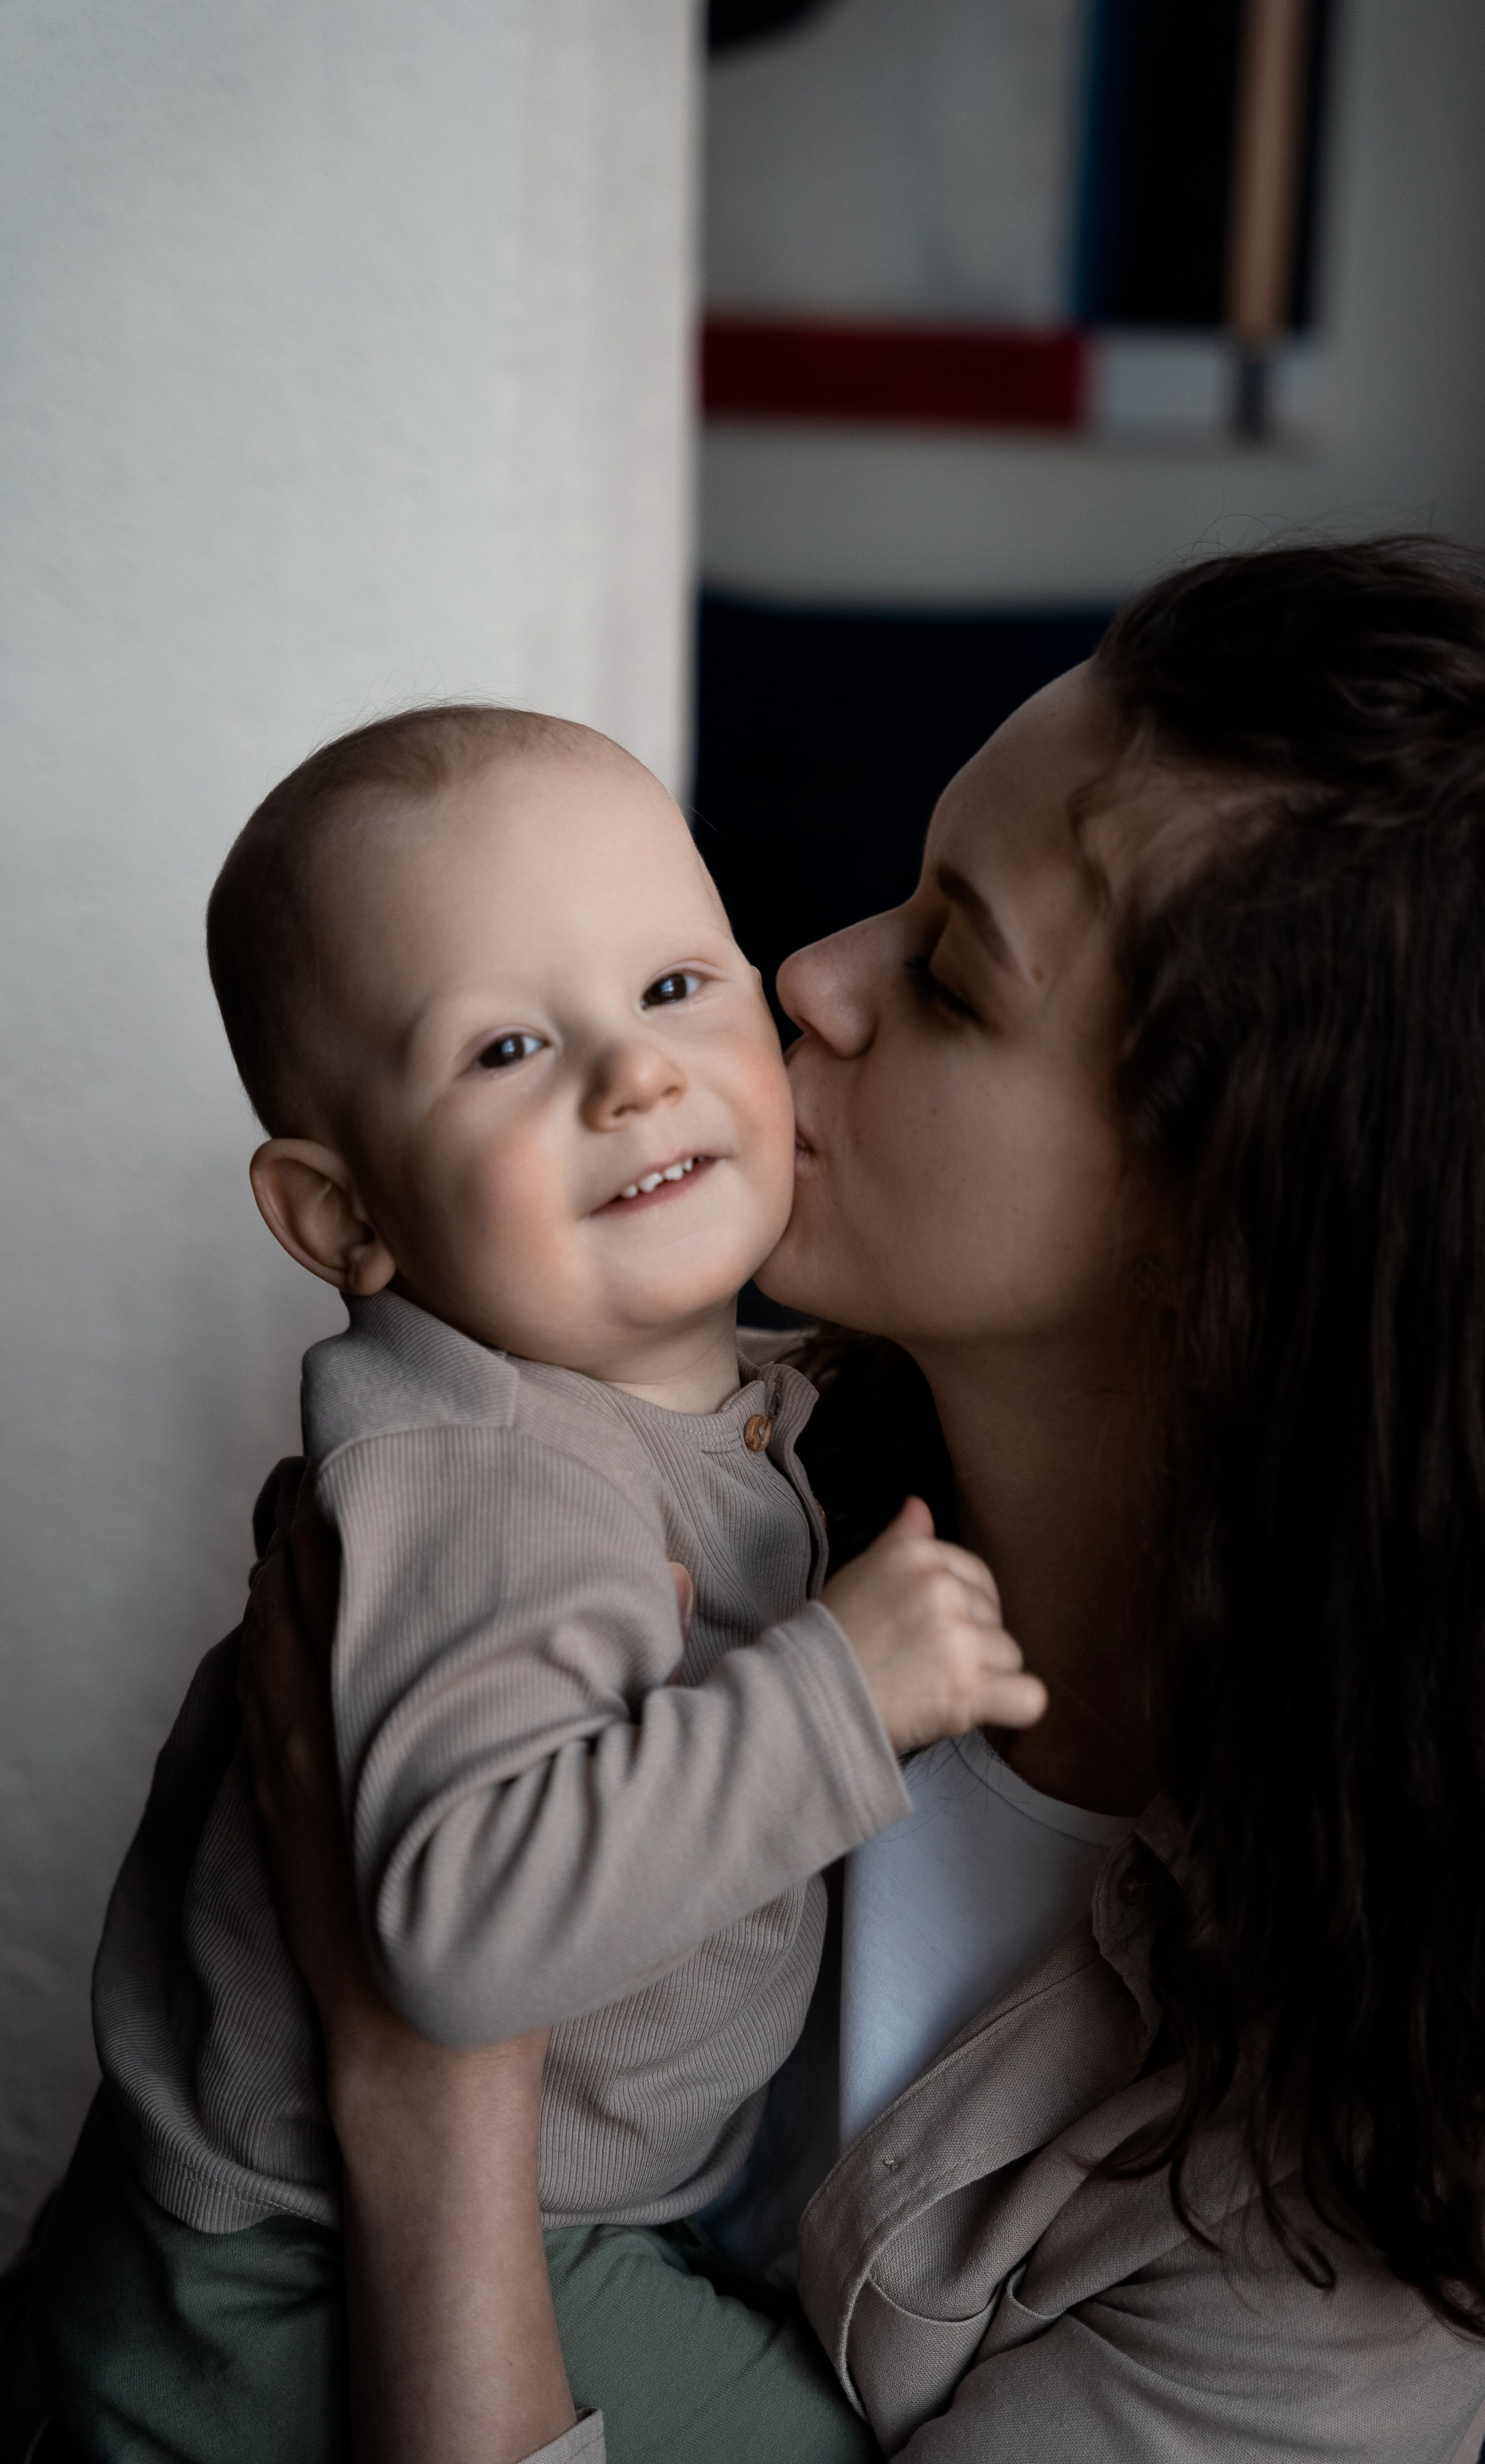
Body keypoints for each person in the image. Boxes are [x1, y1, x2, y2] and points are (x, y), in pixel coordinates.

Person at [234, 536, 1485, 2464]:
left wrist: (429, 2128)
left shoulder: (1357, 2195)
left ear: (1229, 1226)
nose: (803, 977)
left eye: (954, 973)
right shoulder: (613, 1462)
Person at [30, 708, 1044, 2464]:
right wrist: (839, 1693)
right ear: (345, 1223)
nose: (631, 1078)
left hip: (498, 2213)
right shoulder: (490, 1478)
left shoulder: (650, 1402)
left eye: (671, 988)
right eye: (506, 1045)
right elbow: (456, 1936)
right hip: (303, 2266)